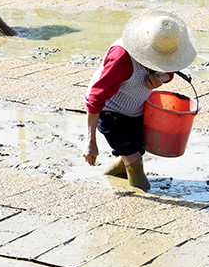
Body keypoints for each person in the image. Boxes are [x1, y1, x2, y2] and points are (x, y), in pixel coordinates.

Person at [83, 10, 197, 192]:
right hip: (110, 111)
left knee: (136, 150)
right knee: (134, 159)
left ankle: (109, 178)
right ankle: (143, 194)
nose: (162, 63)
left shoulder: (166, 50)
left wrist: (162, 79)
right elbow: (95, 99)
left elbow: (170, 72)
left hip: (136, 108)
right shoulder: (121, 59)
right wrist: (91, 142)